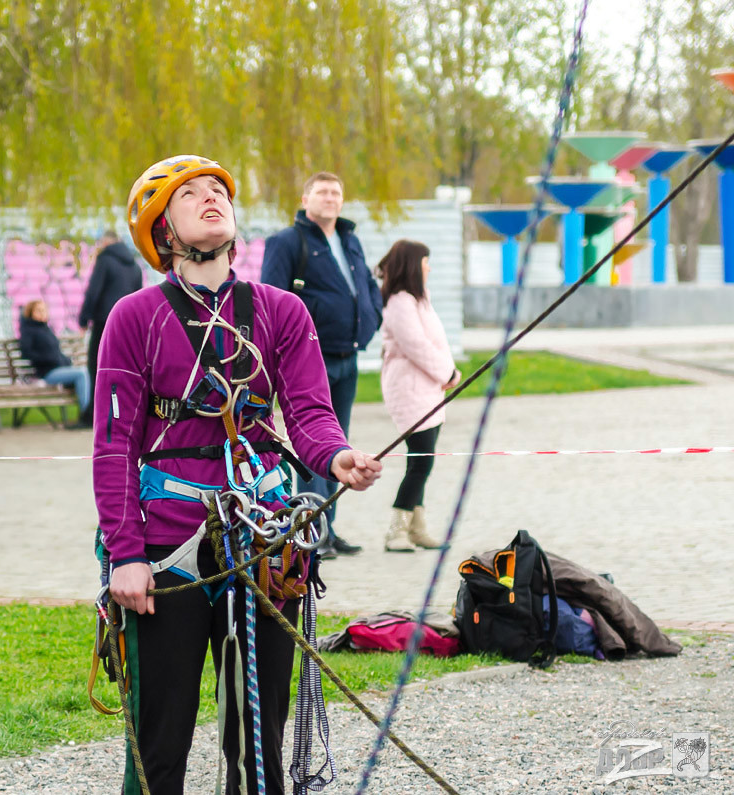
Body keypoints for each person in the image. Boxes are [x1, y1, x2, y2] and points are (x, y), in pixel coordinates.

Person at [96, 155, 382, 794]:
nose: (210, 198)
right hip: (168, 547)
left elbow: (309, 413)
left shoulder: (282, 311)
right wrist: (126, 555)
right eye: (189, 194)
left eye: (218, 191)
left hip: (263, 539)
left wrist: (337, 458)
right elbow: (113, 446)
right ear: (161, 229)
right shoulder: (133, 318)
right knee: (159, 740)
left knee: (258, 740)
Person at [261, 171, 383, 557]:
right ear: (306, 198)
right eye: (323, 192)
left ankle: (328, 527)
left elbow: (365, 287)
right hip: (311, 356)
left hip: (348, 355)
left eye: (336, 192)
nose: (330, 198)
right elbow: (272, 297)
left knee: (336, 443)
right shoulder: (287, 242)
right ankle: (310, 529)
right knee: (314, 442)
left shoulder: (350, 240)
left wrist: (372, 316)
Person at [376, 240, 460, 552]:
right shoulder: (400, 302)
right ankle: (396, 530)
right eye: (426, 262)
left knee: (423, 459)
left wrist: (447, 372)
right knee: (420, 463)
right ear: (413, 265)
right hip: (411, 391)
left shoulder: (417, 299)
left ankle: (416, 526)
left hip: (428, 390)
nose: (430, 268)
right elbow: (417, 346)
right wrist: (448, 373)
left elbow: (435, 342)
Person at [77, 230, 143, 427]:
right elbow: (138, 297)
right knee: (122, 369)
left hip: (103, 322)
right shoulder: (135, 265)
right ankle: (120, 415)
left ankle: (92, 416)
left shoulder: (105, 260)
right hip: (127, 325)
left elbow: (94, 291)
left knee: (95, 367)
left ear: (106, 242)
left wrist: (83, 319)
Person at [18, 298, 92, 419]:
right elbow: (27, 353)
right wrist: (47, 360)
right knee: (81, 373)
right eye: (38, 310)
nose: (42, 313)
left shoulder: (46, 329)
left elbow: (56, 353)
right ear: (31, 313)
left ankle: (93, 412)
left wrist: (66, 361)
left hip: (58, 369)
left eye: (44, 310)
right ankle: (87, 414)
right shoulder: (28, 331)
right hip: (47, 373)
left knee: (85, 372)